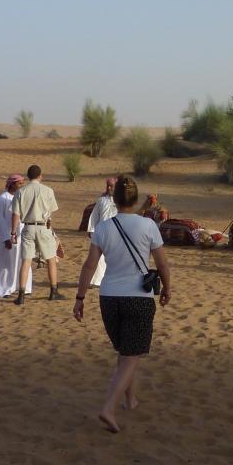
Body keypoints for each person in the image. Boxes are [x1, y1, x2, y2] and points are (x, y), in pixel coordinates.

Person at [74, 176, 172, 433]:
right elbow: (162, 263)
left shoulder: (104, 228)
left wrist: (80, 298)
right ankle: (109, 407)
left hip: (109, 297)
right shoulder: (148, 225)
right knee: (131, 356)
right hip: (138, 297)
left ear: (114, 199)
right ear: (136, 199)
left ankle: (131, 399)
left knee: (126, 351)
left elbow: (90, 265)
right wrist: (167, 288)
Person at [10, 164, 63, 303]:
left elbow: (15, 214)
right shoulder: (48, 190)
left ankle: (21, 295)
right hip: (43, 227)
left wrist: (13, 232)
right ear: (40, 176)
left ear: (28, 176)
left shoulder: (20, 192)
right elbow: (51, 211)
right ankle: (53, 291)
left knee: (26, 261)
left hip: (27, 228)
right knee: (51, 260)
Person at [0, 173, 25, 298]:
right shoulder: (1, 198)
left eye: (22, 183)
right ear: (12, 184)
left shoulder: (21, 197)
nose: (21, 186)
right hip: (7, 235)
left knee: (21, 261)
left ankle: (21, 287)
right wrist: (6, 238)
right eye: (19, 183)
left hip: (21, 235)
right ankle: (3, 290)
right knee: (5, 264)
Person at [86, 176, 118, 287]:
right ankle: (95, 282)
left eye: (112, 186)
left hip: (117, 234)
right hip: (101, 234)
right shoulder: (101, 201)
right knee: (99, 259)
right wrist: (91, 230)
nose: (109, 188)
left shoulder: (121, 202)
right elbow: (94, 216)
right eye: (108, 186)